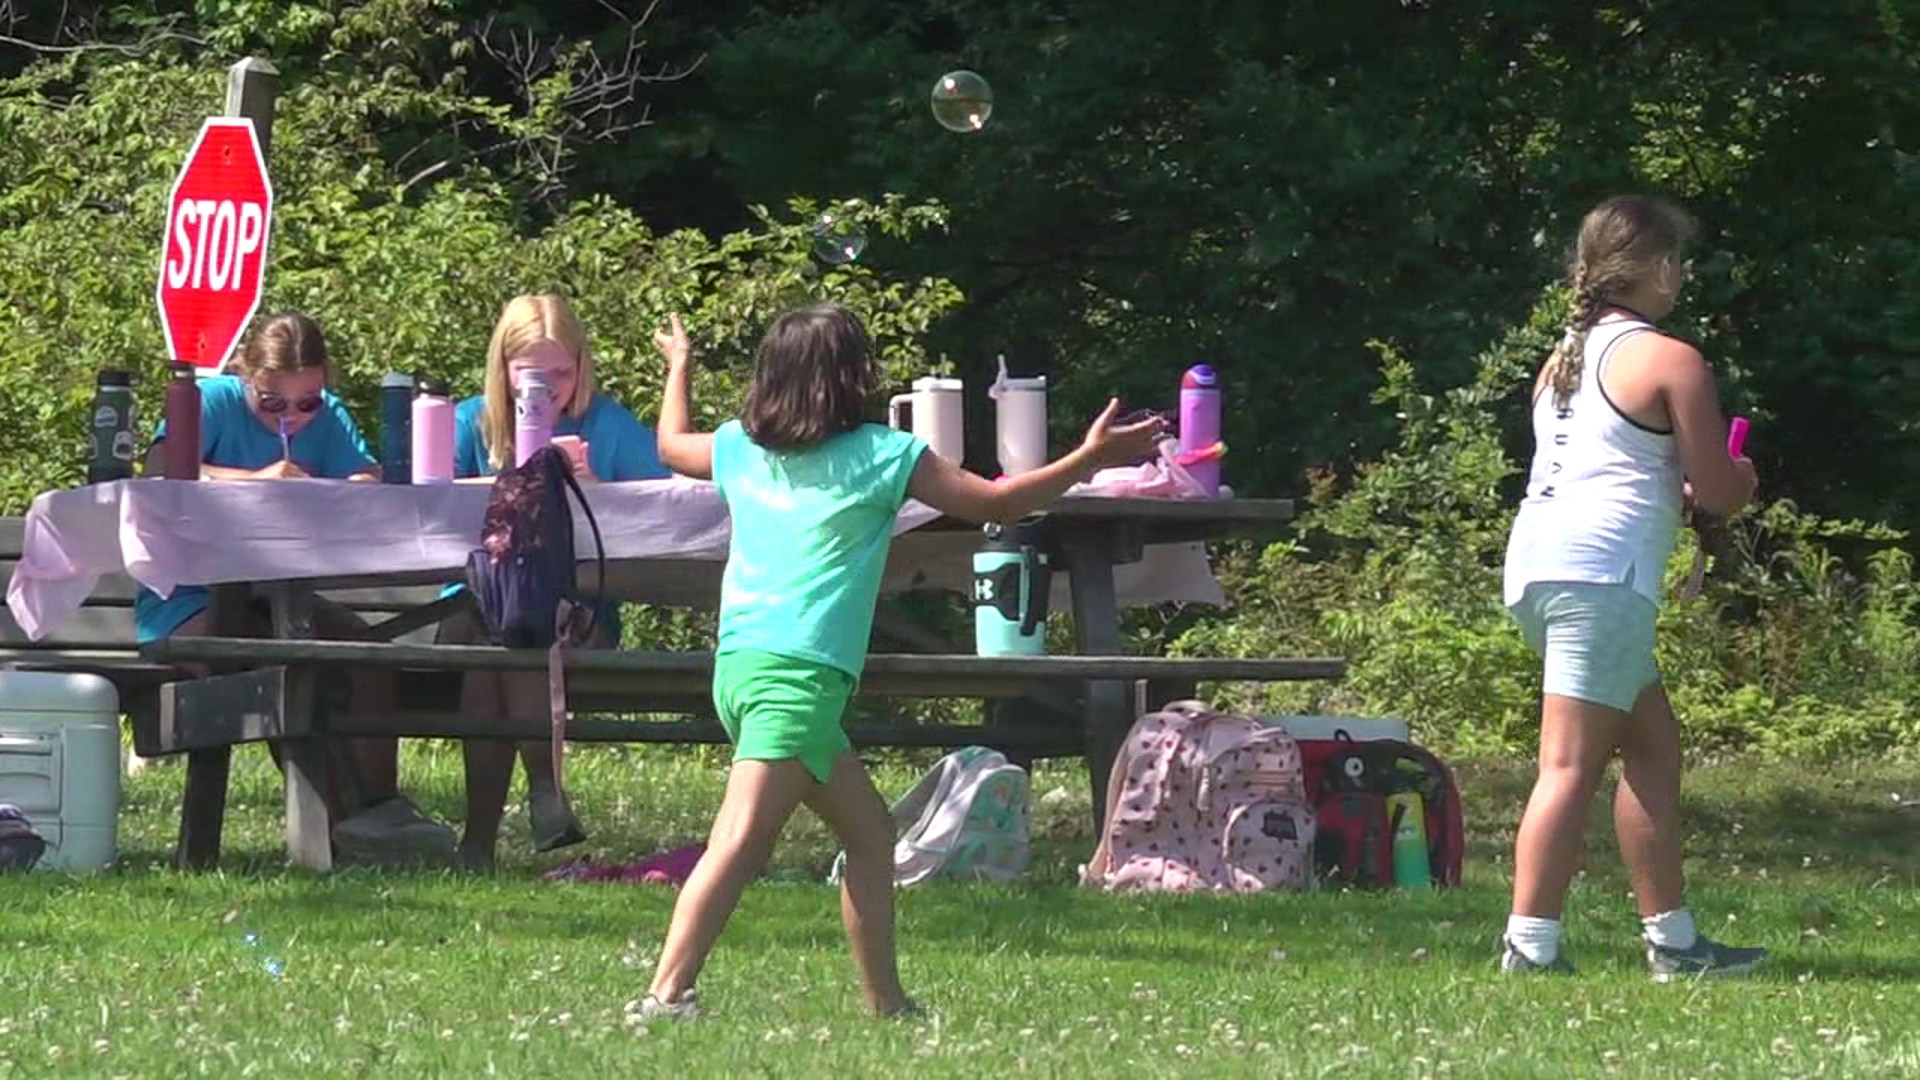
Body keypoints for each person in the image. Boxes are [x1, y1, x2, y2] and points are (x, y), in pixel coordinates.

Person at [636, 303, 1165, 1021]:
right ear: (854, 378)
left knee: (872, 837)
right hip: (797, 677)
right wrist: (1090, 460)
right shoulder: (887, 455)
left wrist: (679, 366)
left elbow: (669, 444)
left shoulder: (738, 446)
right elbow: (1000, 504)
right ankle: (666, 995)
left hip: (745, 671)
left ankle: (887, 1003)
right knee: (739, 842)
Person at [1500, 195, 1766, 980]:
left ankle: (1675, 941)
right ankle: (1530, 945)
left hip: (1540, 567)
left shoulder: (1562, 359)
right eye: (1677, 260)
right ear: (1655, 268)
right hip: (1601, 577)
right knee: (1570, 764)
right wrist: (1740, 479)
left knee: (1652, 748)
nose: (1681, 276)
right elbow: (1718, 489)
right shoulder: (1672, 358)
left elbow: (1608, 466)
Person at [137, 310, 458, 865]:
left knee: (366, 657)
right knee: (281, 660)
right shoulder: (211, 401)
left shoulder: (325, 416)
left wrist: (342, 485)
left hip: (283, 595)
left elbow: (364, 480)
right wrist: (257, 482)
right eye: (273, 404)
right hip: (188, 599)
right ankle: (335, 822)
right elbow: (163, 469)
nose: (292, 417)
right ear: (246, 379)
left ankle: (379, 811)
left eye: (306, 402)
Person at [445, 292, 671, 869]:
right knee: (493, 646)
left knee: (512, 647)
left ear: (582, 365)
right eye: (532, 375)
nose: (549, 389)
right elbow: (421, 504)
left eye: (562, 373)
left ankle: (481, 841)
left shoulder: (606, 425)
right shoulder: (471, 423)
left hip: (576, 617)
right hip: (477, 610)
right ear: (502, 368)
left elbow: (672, 506)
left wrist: (597, 490)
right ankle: (543, 792)